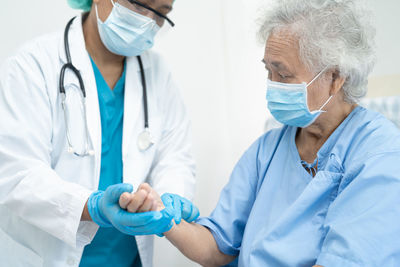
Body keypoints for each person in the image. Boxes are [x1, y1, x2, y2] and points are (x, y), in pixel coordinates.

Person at [128, 0, 400, 266]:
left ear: (335, 78)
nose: (272, 86)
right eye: (268, 71)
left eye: (283, 75)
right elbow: (215, 246)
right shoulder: (267, 149)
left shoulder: (380, 153)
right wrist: (161, 216)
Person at [0, 0, 196, 266]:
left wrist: (170, 197)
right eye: (139, 5)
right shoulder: (32, 65)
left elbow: (176, 157)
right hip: (52, 255)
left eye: (161, 13)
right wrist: (92, 206)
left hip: (130, 257)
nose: (148, 20)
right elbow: (17, 174)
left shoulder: (158, 73)